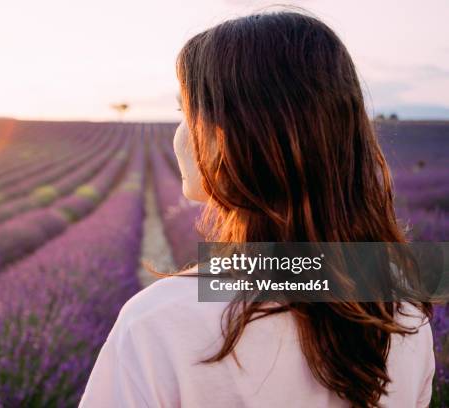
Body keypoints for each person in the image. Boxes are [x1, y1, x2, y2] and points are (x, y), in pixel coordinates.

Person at [79, 9, 434, 408]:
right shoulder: (402, 310)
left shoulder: (160, 322)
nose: (180, 134)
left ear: (230, 138)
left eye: (186, 112)